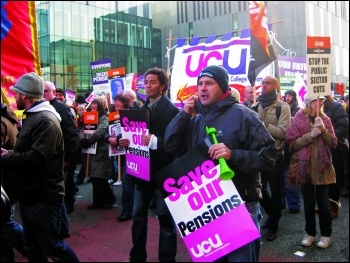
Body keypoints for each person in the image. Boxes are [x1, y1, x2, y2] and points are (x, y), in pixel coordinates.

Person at [164, 65, 277, 262]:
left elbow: (268, 155)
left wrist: (233, 155)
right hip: (207, 208)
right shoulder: (195, 118)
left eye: (209, 83)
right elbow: (171, 144)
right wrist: (183, 114)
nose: (202, 88)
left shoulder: (244, 115)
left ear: (223, 87)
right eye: (199, 84)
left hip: (240, 205)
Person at [1, 72, 79, 261]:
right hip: (31, 194)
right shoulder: (35, 116)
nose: (14, 96)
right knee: (33, 247)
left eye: (17, 93)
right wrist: (9, 155)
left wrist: (6, 157)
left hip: (42, 196)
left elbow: (37, 158)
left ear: (26, 96)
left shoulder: (45, 119)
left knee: (53, 247)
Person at [124, 67, 180, 262]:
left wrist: (156, 141)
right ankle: (137, 256)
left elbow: (177, 145)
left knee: (166, 220)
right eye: (146, 82)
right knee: (138, 217)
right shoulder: (140, 110)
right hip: (141, 173)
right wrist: (126, 142)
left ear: (163, 86)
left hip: (163, 174)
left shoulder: (173, 111)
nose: (147, 85)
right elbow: (135, 140)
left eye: (152, 82)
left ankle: (167, 259)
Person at [286, 95, 337, 249]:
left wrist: (324, 131)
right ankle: (310, 234)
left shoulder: (325, 119)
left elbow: (333, 142)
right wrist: (311, 135)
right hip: (305, 167)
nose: (321, 102)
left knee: (323, 203)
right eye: (318, 100)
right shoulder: (299, 118)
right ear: (310, 102)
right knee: (308, 203)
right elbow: (292, 143)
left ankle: (326, 235)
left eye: (322, 100)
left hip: (323, 168)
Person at [251, 76, 291, 241]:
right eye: (262, 83)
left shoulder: (283, 107)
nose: (264, 85)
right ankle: (272, 214)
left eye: (268, 83)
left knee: (276, 191)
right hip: (258, 153)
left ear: (276, 86)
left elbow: (283, 132)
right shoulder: (256, 105)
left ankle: (273, 225)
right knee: (259, 190)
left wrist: (263, 124)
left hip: (275, 154)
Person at [44, 81, 80, 214]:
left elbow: (72, 132)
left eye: (45, 91)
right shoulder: (45, 106)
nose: (42, 94)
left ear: (51, 92)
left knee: (67, 182)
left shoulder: (61, 108)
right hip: (54, 154)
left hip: (65, 154)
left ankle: (69, 203)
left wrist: (68, 156)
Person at [1, 104, 27, 262]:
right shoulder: (7, 119)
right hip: (8, 180)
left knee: (5, 225)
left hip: (5, 181)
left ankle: (34, 249)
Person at [80, 97, 117, 209]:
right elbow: (83, 129)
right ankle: (97, 201)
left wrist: (88, 140)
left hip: (101, 149)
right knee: (94, 177)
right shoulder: (89, 116)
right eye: (92, 103)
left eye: (95, 103)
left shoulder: (104, 117)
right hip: (91, 150)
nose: (92, 106)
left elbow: (100, 131)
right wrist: (82, 139)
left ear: (100, 105)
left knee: (100, 177)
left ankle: (109, 198)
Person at [107, 94, 134, 222]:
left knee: (129, 182)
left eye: (118, 100)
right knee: (126, 181)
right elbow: (106, 131)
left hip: (133, 153)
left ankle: (130, 209)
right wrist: (108, 138)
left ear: (125, 102)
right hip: (120, 154)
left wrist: (116, 139)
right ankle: (128, 209)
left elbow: (131, 131)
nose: (115, 102)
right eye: (115, 100)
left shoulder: (132, 114)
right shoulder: (112, 115)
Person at [322, 95, 349, 218]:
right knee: (321, 177)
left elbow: (343, 127)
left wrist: (330, 139)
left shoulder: (336, 106)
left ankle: (333, 206)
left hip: (334, 148)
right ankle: (323, 204)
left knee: (334, 177)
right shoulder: (315, 107)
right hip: (319, 148)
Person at [281, 90, 301, 214]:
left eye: (289, 96)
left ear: (293, 97)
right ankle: (281, 203)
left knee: (289, 177)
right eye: (286, 95)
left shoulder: (297, 110)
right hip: (281, 145)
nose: (287, 98)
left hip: (291, 147)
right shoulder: (281, 107)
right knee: (279, 179)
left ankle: (294, 204)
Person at [341, 94, 349, 197]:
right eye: (347, 100)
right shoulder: (344, 112)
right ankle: (347, 188)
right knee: (346, 167)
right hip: (347, 142)